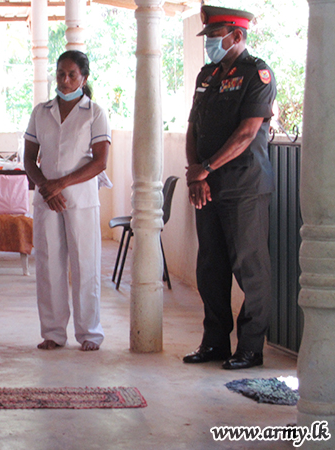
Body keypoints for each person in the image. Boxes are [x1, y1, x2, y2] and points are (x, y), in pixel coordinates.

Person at [182, 5, 277, 370]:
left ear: (237, 35)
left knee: (250, 269)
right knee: (210, 268)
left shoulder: (258, 74)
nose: (210, 43)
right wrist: (195, 172)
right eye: (208, 36)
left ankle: (250, 348)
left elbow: (247, 132)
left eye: (215, 35)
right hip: (206, 184)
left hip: (243, 186)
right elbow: (193, 127)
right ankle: (215, 342)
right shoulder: (207, 76)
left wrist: (204, 169)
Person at [23, 50, 111, 352]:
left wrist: (60, 183)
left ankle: (89, 333)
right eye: (60, 73)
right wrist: (45, 187)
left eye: (72, 74)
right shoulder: (41, 111)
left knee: (85, 263)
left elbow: (100, 162)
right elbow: (29, 159)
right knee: (49, 265)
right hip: (47, 200)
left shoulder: (94, 113)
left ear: (83, 78)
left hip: (80, 199)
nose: (65, 79)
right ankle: (53, 333)